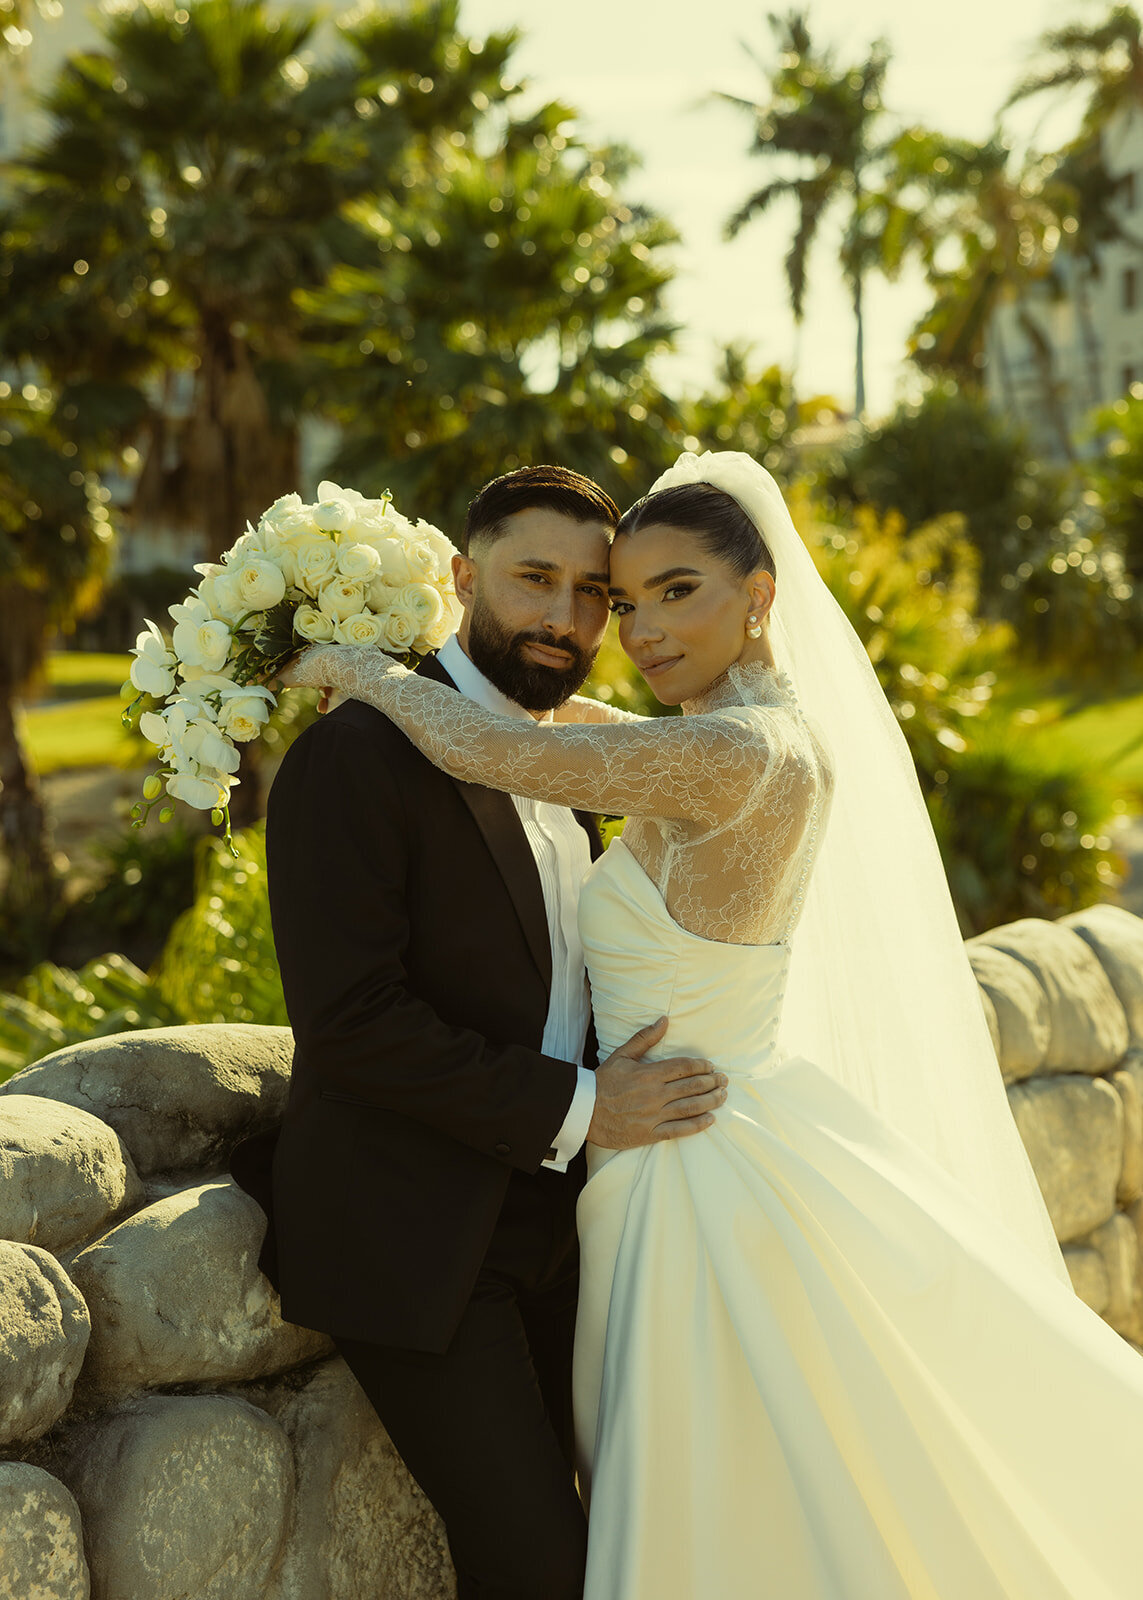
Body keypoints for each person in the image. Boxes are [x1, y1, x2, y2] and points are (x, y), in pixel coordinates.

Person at [283, 449, 1143, 1600]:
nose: (625, 629)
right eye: (623, 601)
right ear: (466, 574)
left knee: (716, 1509)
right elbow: (554, 734)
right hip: (598, 1178)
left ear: (761, 593)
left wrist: (354, 665)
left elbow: (518, 751)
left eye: (656, 593)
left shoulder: (732, 752)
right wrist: (414, 684)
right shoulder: (719, 735)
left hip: (696, 1166)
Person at [231, 463, 728, 1600]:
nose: (565, 617)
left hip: (565, 1220)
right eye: (534, 580)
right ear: (464, 578)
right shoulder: (356, 755)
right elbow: (352, 1022)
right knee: (539, 1567)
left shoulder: (569, 759)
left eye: (594, 592)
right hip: (414, 1231)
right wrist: (591, 1108)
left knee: (630, 1533)